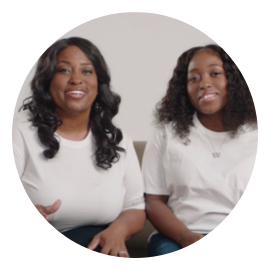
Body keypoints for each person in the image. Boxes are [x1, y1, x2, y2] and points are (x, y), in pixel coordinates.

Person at [12, 37, 145, 258]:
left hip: (97, 241)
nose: (76, 80)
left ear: (98, 82)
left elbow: (135, 208)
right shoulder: (20, 131)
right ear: (47, 80)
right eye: (64, 70)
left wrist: (117, 231)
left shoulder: (117, 139)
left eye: (86, 71)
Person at [142, 44, 258, 257]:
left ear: (233, 80)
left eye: (215, 73)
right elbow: (153, 201)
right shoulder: (166, 133)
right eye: (193, 78)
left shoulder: (254, 134)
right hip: (177, 237)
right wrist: (186, 237)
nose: (204, 84)